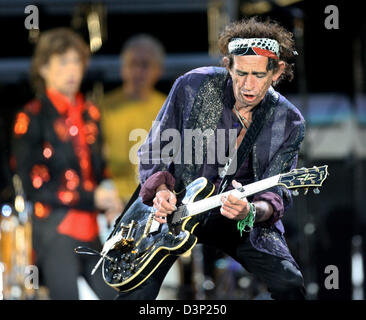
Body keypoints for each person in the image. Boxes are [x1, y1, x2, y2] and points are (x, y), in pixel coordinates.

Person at [115, 17, 306, 300]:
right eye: (240, 73)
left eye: (258, 75)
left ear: (276, 72)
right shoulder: (193, 85)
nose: (248, 86)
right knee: (135, 293)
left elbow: (275, 193)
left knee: (289, 284)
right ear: (228, 65)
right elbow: (154, 149)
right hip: (176, 208)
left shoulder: (289, 121)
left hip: (237, 217)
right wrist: (162, 191)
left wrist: (252, 212)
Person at [11, 28, 121, 300]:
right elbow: (34, 185)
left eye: (77, 62)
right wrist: (90, 196)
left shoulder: (89, 112)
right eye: (63, 62)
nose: (72, 70)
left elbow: (99, 167)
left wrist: (110, 196)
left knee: (117, 295)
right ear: (44, 68)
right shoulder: (32, 116)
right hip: (56, 228)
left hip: (92, 227)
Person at [98, 34, 167, 205]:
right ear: (123, 68)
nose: (138, 71)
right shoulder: (102, 108)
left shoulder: (168, 106)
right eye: (132, 64)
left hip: (155, 200)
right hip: (110, 200)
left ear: (159, 70)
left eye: (145, 65)